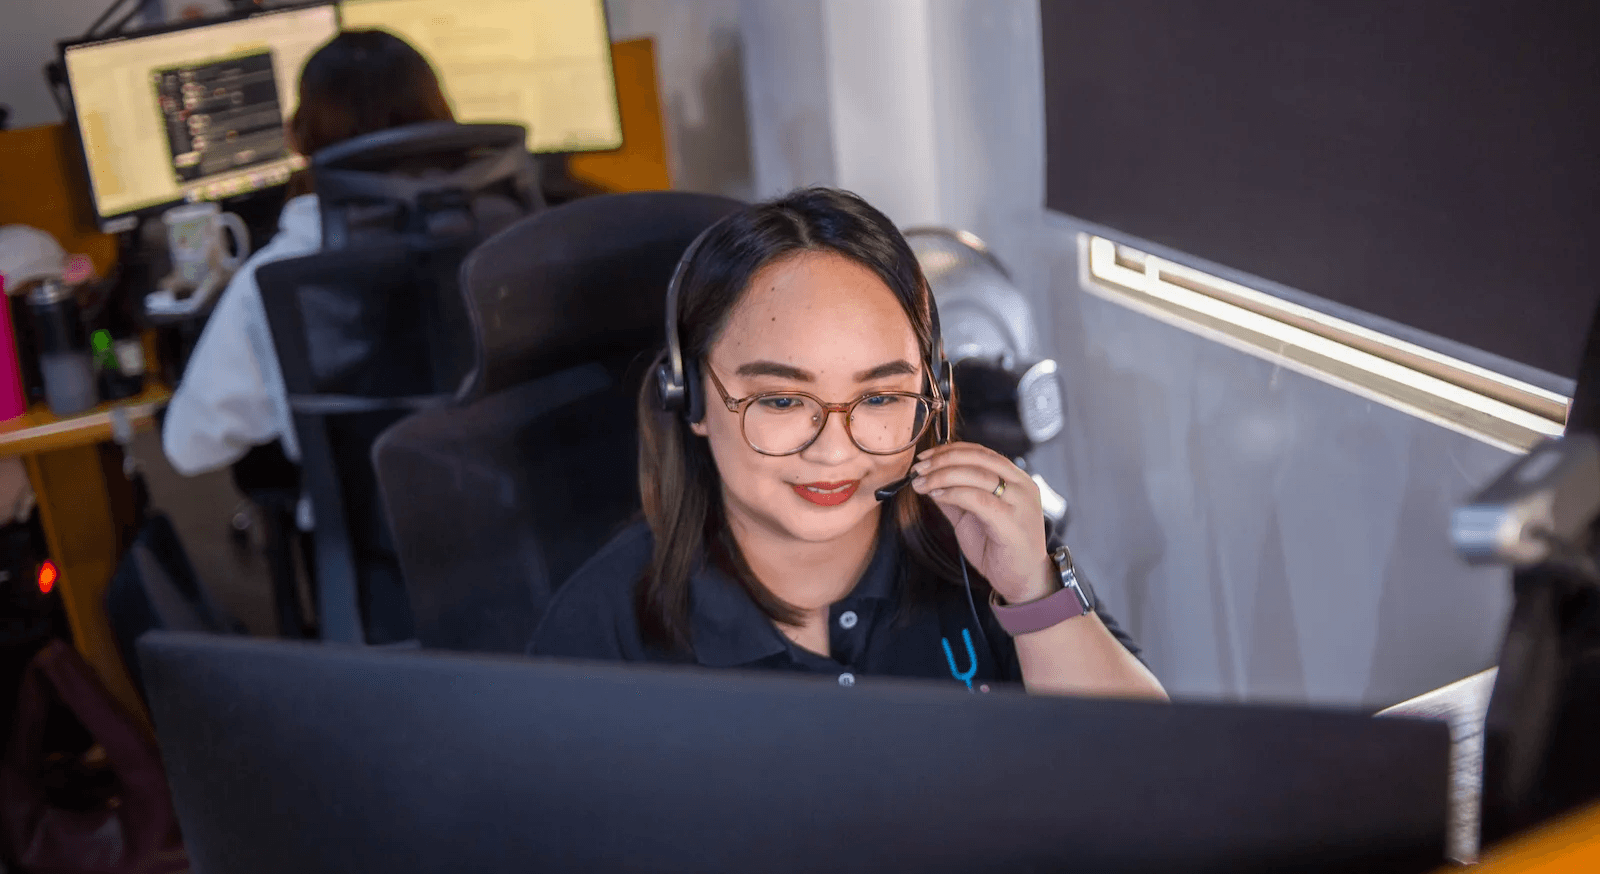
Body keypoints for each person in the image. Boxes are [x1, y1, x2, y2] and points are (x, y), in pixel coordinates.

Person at [530, 187, 1166, 699]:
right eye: (780, 400)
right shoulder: (602, 626)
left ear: (933, 391)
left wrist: (1033, 591)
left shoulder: (977, 554)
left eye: (882, 398)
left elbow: (1144, 781)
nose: (834, 451)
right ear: (690, 397)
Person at [161, 29, 454, 477]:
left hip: (380, 533)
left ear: (297, 138)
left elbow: (190, 446)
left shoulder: (280, 273)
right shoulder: (507, 228)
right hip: (534, 524)